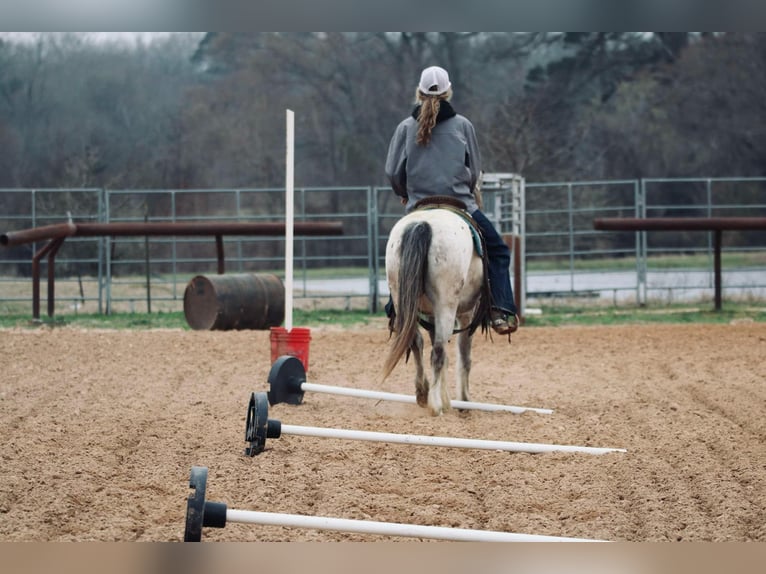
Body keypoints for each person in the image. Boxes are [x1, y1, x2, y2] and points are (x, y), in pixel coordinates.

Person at [384, 65, 519, 336]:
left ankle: (395, 309)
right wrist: (466, 189)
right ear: (449, 92)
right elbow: (474, 170)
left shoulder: (405, 128)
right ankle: (499, 309)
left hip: (418, 206)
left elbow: (392, 171)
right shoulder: (463, 126)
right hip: (460, 205)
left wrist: (404, 193)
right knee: (499, 251)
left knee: (401, 252)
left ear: (419, 93)